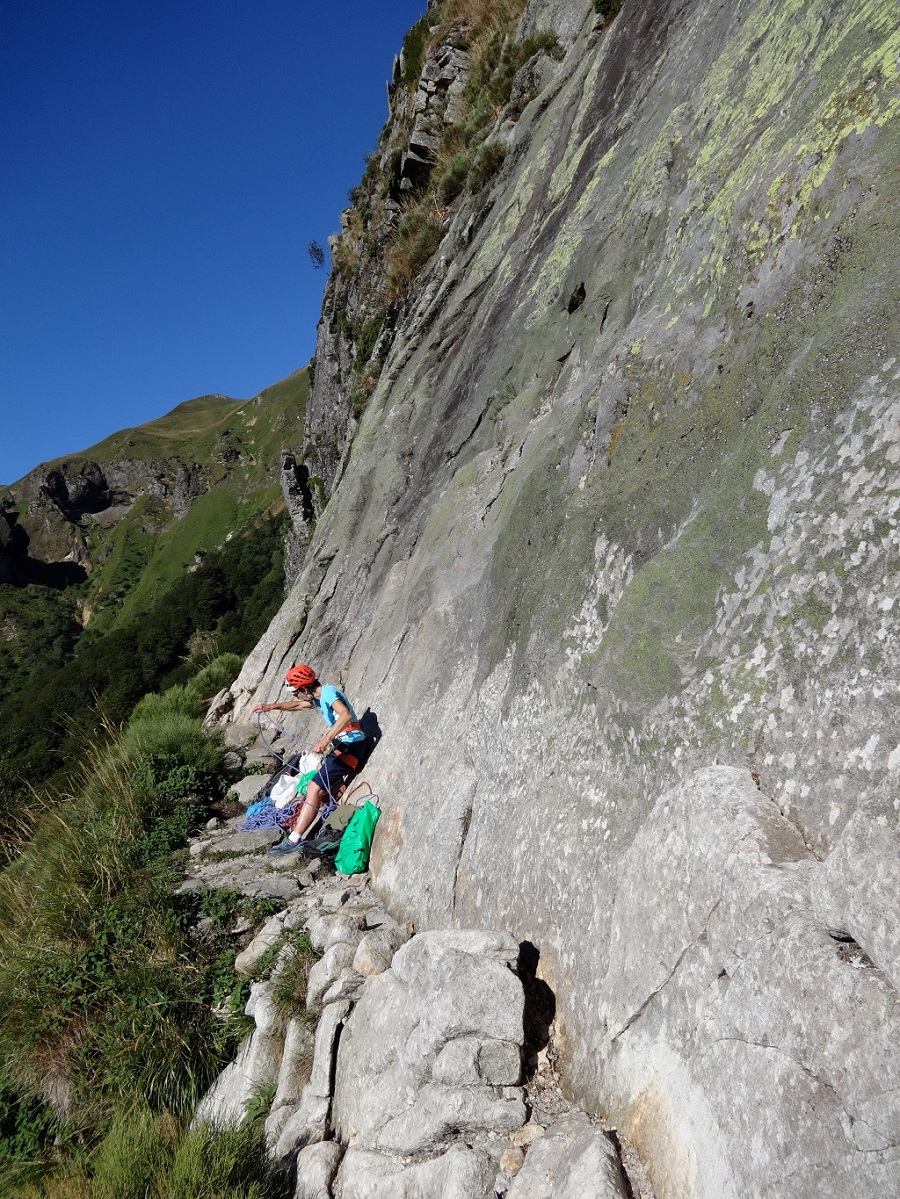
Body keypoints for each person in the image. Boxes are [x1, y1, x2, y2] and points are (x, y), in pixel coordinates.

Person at [253, 664, 372, 855]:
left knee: (313, 788)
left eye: (296, 693)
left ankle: (294, 839)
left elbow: (345, 714)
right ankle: (326, 806)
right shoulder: (318, 696)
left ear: (304, 688)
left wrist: (326, 739)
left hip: (352, 745)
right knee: (318, 775)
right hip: (347, 745)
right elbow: (298, 705)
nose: (296, 697)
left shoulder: (328, 693)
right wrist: (271, 706)